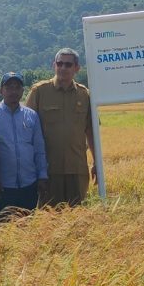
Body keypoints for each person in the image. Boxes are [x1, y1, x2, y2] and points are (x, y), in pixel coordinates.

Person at [25, 48, 95, 207]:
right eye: (59, 63)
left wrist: (97, 162)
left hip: (76, 168)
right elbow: (26, 130)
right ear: (54, 65)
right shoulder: (39, 91)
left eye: (68, 64)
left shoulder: (85, 95)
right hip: (48, 169)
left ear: (77, 68)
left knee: (77, 217)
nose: (63, 68)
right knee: (48, 219)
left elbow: (91, 131)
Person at [0, 72, 48, 220]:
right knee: (1, 230)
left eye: (17, 87)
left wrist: (42, 176)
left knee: (26, 232)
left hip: (29, 184)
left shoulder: (31, 115)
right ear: (1, 90)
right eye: (9, 87)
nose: (13, 91)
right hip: (2, 187)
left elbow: (39, 149)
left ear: (22, 91)